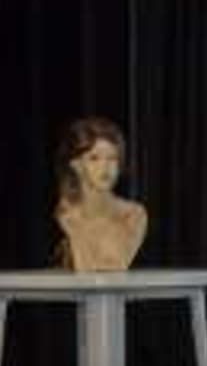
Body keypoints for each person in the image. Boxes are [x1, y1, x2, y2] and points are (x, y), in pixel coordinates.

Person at [52, 115, 148, 272]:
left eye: (113, 158)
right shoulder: (67, 215)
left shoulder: (133, 215)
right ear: (76, 165)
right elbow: (85, 276)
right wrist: (75, 231)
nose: (105, 167)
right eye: (94, 158)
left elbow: (114, 268)